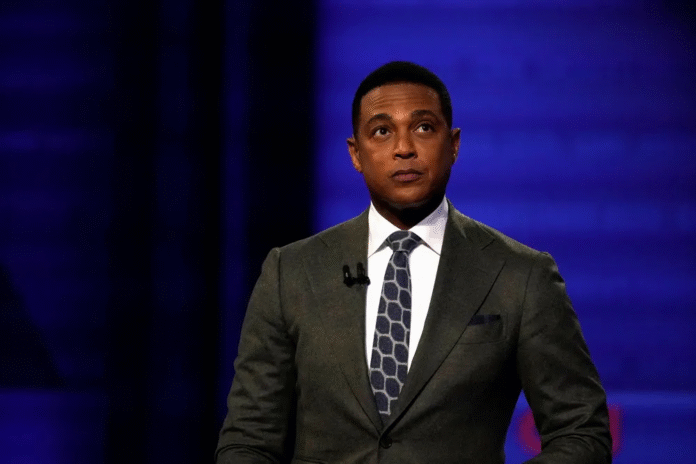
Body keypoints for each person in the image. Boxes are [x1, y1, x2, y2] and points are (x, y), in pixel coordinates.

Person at [216, 61, 611, 463]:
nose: (403, 148)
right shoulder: (291, 272)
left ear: (453, 144)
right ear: (355, 153)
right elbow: (249, 440)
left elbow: (581, 431)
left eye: (423, 127)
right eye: (382, 131)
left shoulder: (520, 276)